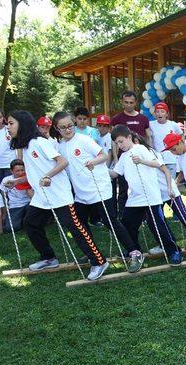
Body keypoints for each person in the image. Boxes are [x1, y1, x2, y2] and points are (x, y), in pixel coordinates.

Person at [8, 110, 109, 279]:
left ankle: (99, 261)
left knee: (75, 229)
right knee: (30, 223)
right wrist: (18, 181)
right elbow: (36, 172)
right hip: (42, 197)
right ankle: (48, 258)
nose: (8, 127)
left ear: (22, 124)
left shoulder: (39, 142)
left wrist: (48, 176)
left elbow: (62, 162)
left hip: (59, 195)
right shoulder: (26, 147)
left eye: (11, 123)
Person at [54, 112, 144, 273]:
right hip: (81, 193)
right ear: (57, 129)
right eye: (63, 127)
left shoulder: (84, 140)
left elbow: (103, 155)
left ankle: (134, 252)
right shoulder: (60, 146)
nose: (68, 130)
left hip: (99, 188)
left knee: (110, 221)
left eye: (70, 126)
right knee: (80, 224)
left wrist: (93, 162)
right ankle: (92, 252)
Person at [109, 125, 182, 266]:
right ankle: (135, 251)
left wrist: (141, 161)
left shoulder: (140, 149)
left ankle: (174, 251)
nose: (119, 145)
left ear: (129, 137)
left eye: (121, 141)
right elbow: (115, 174)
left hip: (150, 196)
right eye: (117, 143)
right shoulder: (123, 156)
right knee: (127, 224)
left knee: (158, 226)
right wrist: (99, 169)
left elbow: (157, 163)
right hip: (135, 198)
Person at [141, 133, 186, 258]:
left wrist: (171, 187)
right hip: (154, 193)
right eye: (170, 150)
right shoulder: (134, 157)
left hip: (169, 191)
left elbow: (167, 172)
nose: (172, 153)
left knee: (183, 216)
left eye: (173, 149)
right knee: (154, 220)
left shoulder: (153, 154)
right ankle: (165, 244)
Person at [111, 91, 152, 214]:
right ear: (122, 102)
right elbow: (114, 141)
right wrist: (115, 158)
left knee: (142, 186)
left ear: (136, 103)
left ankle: (145, 215)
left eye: (131, 103)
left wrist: (150, 154)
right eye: (126, 102)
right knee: (123, 189)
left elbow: (149, 136)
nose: (128, 105)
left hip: (141, 159)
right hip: (123, 159)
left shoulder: (143, 118)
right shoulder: (116, 119)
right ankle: (123, 214)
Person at [149, 102, 182, 178]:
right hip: (157, 159)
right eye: (157, 112)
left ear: (167, 114)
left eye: (162, 111)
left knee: (171, 183)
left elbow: (181, 135)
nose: (159, 114)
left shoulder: (173, 124)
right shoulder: (150, 124)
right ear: (154, 114)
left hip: (171, 159)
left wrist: (178, 149)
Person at [0, 159, 33, 231]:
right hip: (15, 206)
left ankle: (27, 221)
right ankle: (24, 221)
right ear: (11, 171)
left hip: (29, 204)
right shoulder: (6, 180)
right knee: (10, 228)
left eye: (22, 170)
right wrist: (4, 213)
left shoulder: (29, 178)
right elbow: (3, 197)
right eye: (17, 171)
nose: (20, 173)